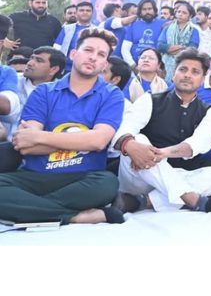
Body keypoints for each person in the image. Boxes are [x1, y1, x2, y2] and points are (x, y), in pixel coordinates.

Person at [0, 28, 125, 225]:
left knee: (108, 184)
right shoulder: (44, 92)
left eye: (101, 55)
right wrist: (82, 140)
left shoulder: (111, 95)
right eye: (88, 50)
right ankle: (75, 216)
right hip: (35, 176)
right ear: (73, 54)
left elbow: (98, 141)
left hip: (84, 178)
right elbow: (25, 144)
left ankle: (29, 210)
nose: (93, 58)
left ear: (104, 65)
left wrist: (41, 136)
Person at [112, 49, 211, 215]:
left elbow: (196, 145)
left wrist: (161, 154)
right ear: (173, 74)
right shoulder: (150, 100)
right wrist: (131, 146)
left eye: (195, 72)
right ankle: (193, 199)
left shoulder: (210, 110)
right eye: (183, 69)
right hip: (139, 172)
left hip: (177, 174)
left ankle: (142, 201)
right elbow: (123, 130)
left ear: (203, 79)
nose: (187, 75)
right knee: (138, 139)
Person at [157, 2, 201, 81]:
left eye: (184, 13)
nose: (180, 14)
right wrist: (181, 47)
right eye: (178, 12)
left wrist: (170, 49)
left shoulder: (194, 30)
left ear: (190, 16)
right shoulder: (167, 28)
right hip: (166, 65)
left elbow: (192, 48)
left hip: (184, 64)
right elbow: (160, 46)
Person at [121, 0, 168, 67]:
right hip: (135, 68)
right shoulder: (133, 25)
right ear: (140, 11)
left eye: (149, 9)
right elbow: (125, 49)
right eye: (144, 9)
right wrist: (133, 66)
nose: (147, 12)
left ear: (154, 10)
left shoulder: (163, 24)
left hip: (156, 68)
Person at [54, 1, 97, 72]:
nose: (85, 12)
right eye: (81, 10)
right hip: (65, 69)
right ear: (76, 13)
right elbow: (57, 47)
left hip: (87, 69)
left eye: (88, 10)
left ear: (92, 13)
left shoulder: (98, 31)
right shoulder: (67, 28)